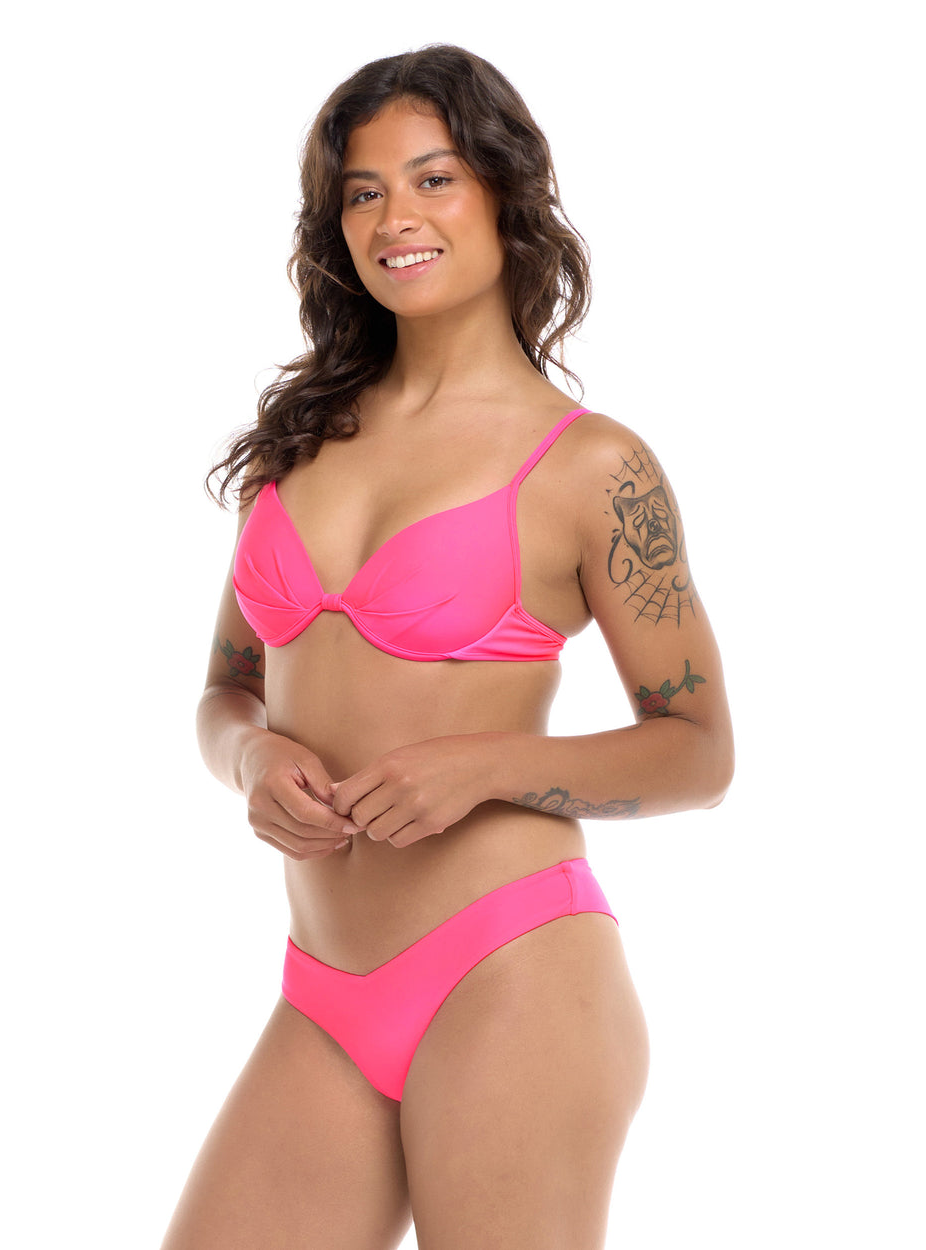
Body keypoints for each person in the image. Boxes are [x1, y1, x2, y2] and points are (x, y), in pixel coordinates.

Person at [160, 44, 734, 1250]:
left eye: (433, 179)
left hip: (512, 970)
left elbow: (697, 752)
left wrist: (484, 767)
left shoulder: (591, 466)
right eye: (362, 192)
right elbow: (226, 690)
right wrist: (249, 758)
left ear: (504, 193)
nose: (395, 219)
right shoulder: (294, 447)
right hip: (322, 989)